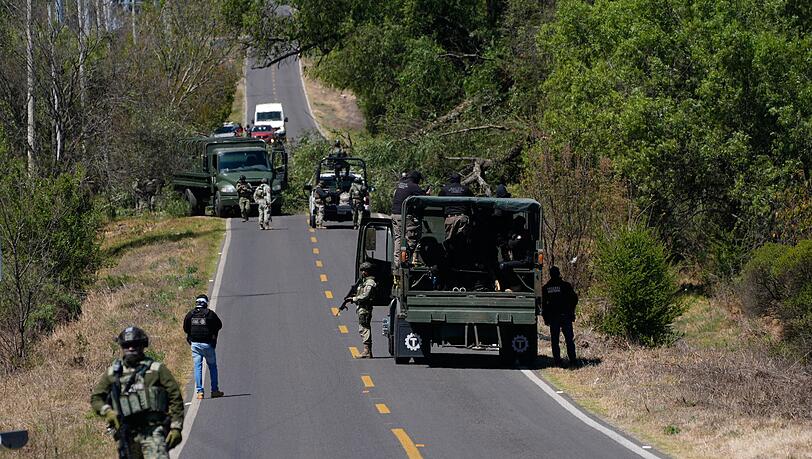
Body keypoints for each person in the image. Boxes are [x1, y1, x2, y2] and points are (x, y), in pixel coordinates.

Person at [91, 326, 184, 458]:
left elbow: (175, 396)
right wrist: (107, 411)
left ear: (143, 346)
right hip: (127, 434)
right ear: (122, 347)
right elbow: (96, 398)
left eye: (135, 345)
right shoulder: (113, 373)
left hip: (153, 431)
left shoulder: (156, 370)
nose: (131, 348)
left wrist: (176, 427)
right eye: (127, 345)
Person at [183, 294, 223, 399]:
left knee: (197, 367)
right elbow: (219, 325)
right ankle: (214, 390)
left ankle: (200, 392)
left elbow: (185, 328)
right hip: (207, 345)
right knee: (212, 366)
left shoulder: (190, 314)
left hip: (195, 345)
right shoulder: (210, 314)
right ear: (205, 303)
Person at [542, 266, 579, 367]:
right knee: (569, 340)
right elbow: (574, 299)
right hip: (565, 316)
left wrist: (545, 318)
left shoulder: (546, 288)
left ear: (550, 274)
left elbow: (543, 305)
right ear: (559, 273)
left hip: (554, 317)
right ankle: (573, 360)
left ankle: (557, 361)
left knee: (555, 340)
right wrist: (572, 311)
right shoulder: (565, 286)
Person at [340, 262, 377, 358]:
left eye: (364, 270)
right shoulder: (364, 282)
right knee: (363, 328)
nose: (363, 272)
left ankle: (367, 351)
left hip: (365, 308)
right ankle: (368, 351)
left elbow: (366, 295)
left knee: (364, 328)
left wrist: (354, 299)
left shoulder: (370, 283)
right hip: (361, 307)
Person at [391, 171, 427, 265]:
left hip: (395, 214)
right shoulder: (413, 186)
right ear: (416, 179)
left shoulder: (401, 184)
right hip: (405, 215)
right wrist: (426, 192)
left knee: (398, 238)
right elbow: (424, 198)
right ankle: (404, 260)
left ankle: (397, 262)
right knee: (413, 237)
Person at [439, 172, 473, 243]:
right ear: (459, 180)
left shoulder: (445, 189)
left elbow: (439, 201)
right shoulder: (466, 189)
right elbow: (472, 201)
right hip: (462, 218)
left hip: (450, 218)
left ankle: (450, 253)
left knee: (449, 241)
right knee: (462, 242)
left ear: (451, 180)